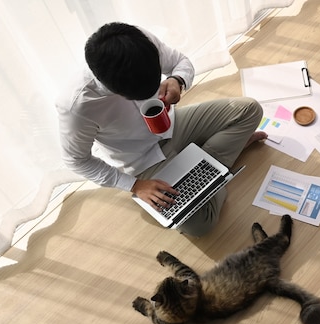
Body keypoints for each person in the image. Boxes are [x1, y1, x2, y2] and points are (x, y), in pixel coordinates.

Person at [56, 22, 266, 237]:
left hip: (174, 124)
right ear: (113, 89)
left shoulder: (139, 44)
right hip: (143, 160)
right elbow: (76, 160)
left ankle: (206, 168)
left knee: (249, 110)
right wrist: (135, 185)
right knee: (202, 225)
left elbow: (180, 62)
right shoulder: (77, 105)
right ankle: (215, 163)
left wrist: (177, 80)